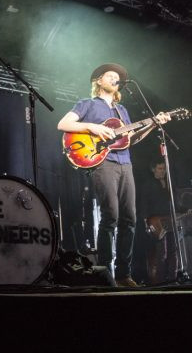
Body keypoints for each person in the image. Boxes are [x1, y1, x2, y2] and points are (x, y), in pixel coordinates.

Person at [57, 63, 170, 287]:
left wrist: (153, 124)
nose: (114, 78)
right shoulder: (87, 104)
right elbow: (63, 124)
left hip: (125, 164)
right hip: (103, 163)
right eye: (110, 75)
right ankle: (104, 272)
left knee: (130, 219)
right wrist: (94, 128)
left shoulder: (122, 111)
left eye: (117, 77)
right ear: (99, 81)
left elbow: (130, 139)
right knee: (111, 216)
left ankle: (123, 274)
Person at [141, 160, 178, 284]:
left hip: (169, 218)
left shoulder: (168, 183)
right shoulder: (148, 184)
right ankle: (159, 280)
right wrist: (147, 222)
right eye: (160, 169)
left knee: (174, 249)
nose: (162, 171)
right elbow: (144, 205)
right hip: (156, 220)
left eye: (164, 168)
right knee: (161, 251)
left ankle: (173, 277)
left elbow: (173, 202)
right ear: (153, 170)